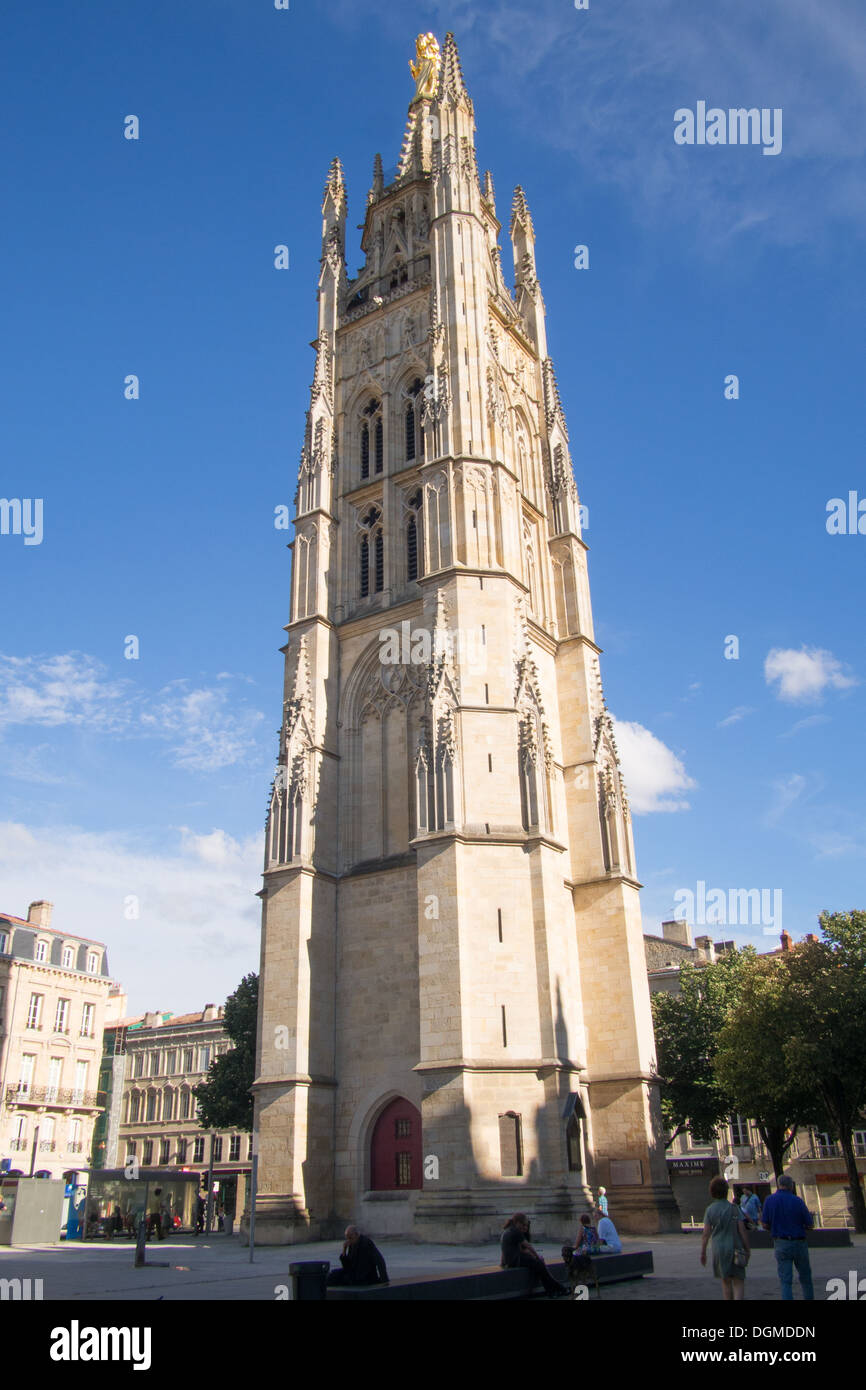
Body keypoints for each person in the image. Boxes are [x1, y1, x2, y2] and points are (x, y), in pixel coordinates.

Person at [761, 1174, 814, 1302]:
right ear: (791, 1186)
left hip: (781, 1242)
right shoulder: (798, 1201)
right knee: (805, 1277)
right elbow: (810, 1224)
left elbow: (765, 1224)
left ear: (779, 1185)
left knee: (785, 1280)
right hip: (799, 1242)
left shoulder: (769, 1200)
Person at [700, 1176, 750, 1301]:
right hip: (736, 1248)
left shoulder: (710, 1210)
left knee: (726, 1281)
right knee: (738, 1281)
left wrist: (703, 1252)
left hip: (719, 1250)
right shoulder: (734, 1208)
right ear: (726, 1191)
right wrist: (747, 1248)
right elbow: (742, 1230)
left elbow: (706, 1234)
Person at [501, 1213, 569, 1299]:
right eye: (523, 1224)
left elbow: (507, 1249)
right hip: (516, 1260)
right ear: (517, 1223)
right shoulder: (515, 1231)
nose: (524, 1227)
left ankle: (551, 1292)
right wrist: (536, 1256)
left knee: (539, 1266)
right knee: (539, 1264)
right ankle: (559, 1287)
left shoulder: (508, 1230)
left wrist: (502, 1262)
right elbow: (528, 1246)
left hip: (511, 1260)